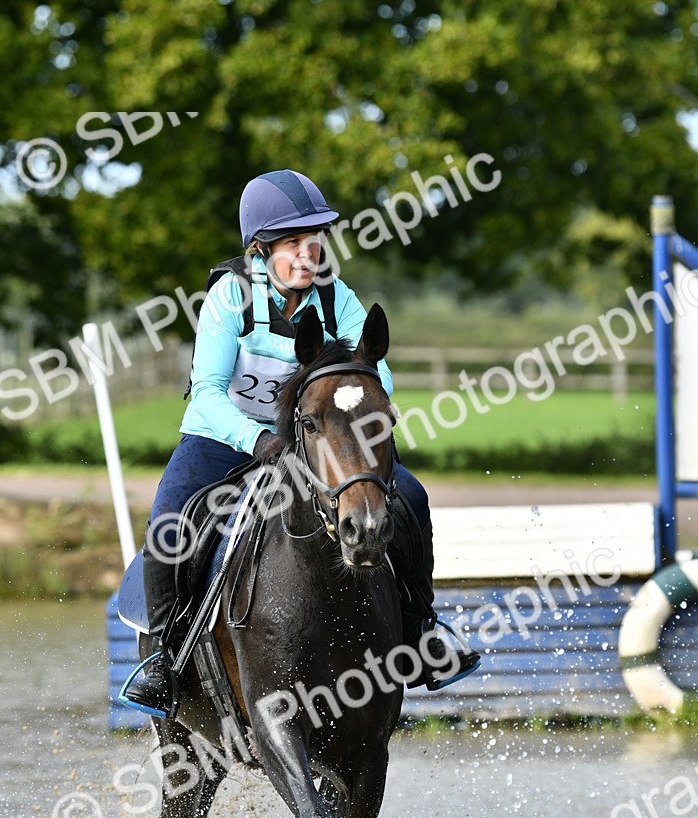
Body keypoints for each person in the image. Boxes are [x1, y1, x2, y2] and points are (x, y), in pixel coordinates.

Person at [124, 169, 480, 714]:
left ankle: (421, 631)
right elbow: (207, 394)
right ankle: (164, 660)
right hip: (225, 435)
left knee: (411, 498)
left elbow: (373, 372)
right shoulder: (231, 296)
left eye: (315, 237)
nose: (309, 251)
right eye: (293, 241)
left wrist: (368, 413)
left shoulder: (337, 298)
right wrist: (260, 440)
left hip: (319, 440)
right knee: (170, 524)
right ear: (261, 248)